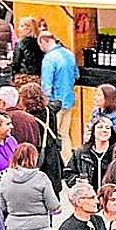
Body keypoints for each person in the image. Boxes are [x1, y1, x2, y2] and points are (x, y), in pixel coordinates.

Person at [38, 31, 78, 161]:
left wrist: (44, 102)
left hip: (55, 103)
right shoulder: (69, 53)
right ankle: (68, 162)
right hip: (69, 99)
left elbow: (46, 85)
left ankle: (57, 164)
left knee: (53, 135)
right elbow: (76, 75)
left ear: (44, 42)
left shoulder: (49, 58)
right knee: (65, 134)